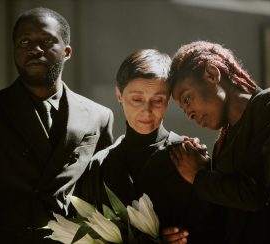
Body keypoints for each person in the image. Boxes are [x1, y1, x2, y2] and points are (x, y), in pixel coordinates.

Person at [0, 7, 114, 244]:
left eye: (46, 41)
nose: (35, 49)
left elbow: (105, 201)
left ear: (67, 52)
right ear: (15, 51)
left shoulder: (99, 116)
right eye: (25, 41)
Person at [75, 49, 221, 244]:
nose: (147, 110)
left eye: (158, 100)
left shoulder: (190, 157)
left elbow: (216, 230)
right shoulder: (98, 166)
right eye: (137, 99)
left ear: (168, 99)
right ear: (119, 94)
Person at [168, 40, 270, 244]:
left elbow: (253, 194)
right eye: (183, 109)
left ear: (212, 74)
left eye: (187, 100)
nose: (189, 114)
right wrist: (180, 235)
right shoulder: (222, 145)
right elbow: (225, 220)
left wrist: (199, 175)